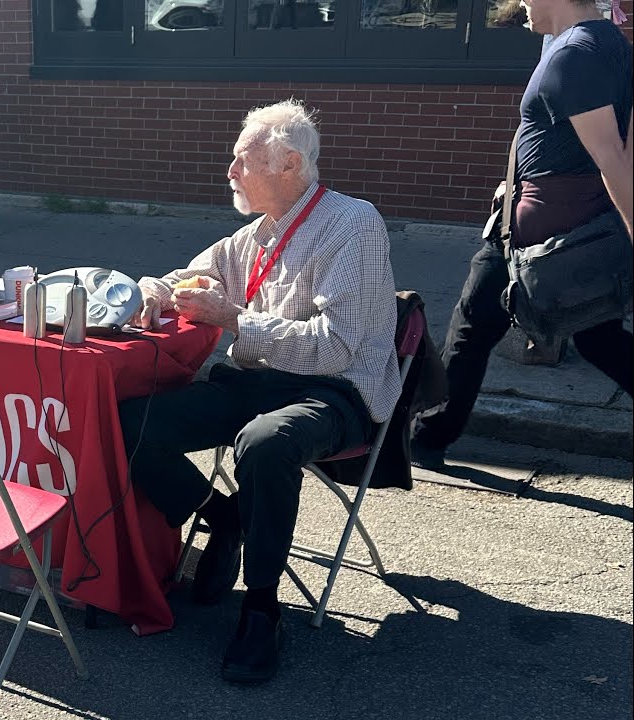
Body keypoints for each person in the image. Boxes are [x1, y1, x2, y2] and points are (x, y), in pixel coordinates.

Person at [119, 99, 400, 683]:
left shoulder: (355, 223)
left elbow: (337, 347)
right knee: (127, 420)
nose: (230, 172)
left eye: (241, 161)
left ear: (288, 163)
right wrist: (150, 292)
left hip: (335, 391)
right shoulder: (254, 235)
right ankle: (222, 516)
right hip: (257, 380)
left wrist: (236, 319)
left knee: (266, 443)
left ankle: (261, 607)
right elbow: (179, 279)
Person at [410, 0, 632, 469]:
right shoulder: (609, 42)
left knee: (470, 329)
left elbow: (614, 156)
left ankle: (426, 441)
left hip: (536, 238)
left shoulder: (577, 53)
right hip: (562, 224)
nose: (518, 5)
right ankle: (429, 436)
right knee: (598, 338)